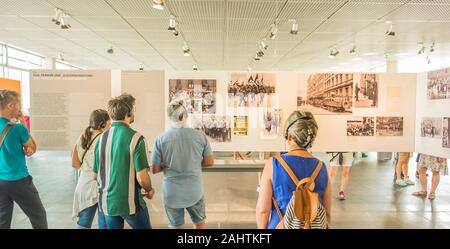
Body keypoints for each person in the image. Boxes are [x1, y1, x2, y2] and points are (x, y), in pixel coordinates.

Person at [256, 111, 331, 229]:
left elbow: (263, 210)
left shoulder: (273, 164)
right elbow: (327, 214)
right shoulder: (322, 167)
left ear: (290, 137)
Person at [93, 94, 155, 229]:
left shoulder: (101, 139)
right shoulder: (137, 139)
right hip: (130, 203)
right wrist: (149, 190)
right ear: (129, 113)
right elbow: (142, 176)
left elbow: (94, 175)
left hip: (107, 203)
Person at [152, 100, 214, 229]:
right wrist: (194, 161)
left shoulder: (160, 139)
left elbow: (154, 169)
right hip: (194, 190)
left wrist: (166, 164)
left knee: (175, 226)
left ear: (169, 117)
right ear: (185, 115)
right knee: (199, 223)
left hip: (171, 192)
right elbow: (209, 162)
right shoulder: (200, 136)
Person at [0, 89, 47, 229]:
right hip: (18, 180)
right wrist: (22, 122)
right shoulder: (17, 128)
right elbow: (32, 147)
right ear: (10, 106)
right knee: (39, 215)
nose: (20, 108)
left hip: (0, 180)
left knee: (3, 219)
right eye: (18, 104)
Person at [71, 109, 110, 229]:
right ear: (102, 124)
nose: (110, 125)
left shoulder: (82, 137)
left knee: (83, 222)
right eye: (109, 122)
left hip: (83, 184)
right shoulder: (104, 139)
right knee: (103, 222)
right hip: (98, 185)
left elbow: (75, 164)